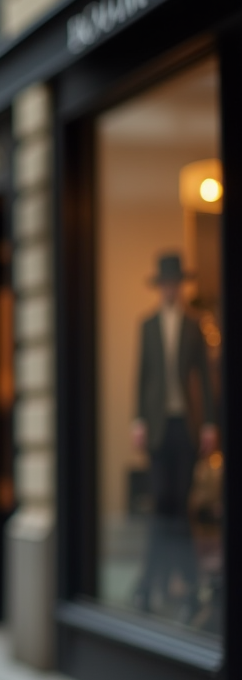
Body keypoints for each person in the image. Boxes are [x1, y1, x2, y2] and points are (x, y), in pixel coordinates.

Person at [131, 253, 217, 620]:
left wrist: (210, 424)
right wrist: (138, 419)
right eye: (166, 282)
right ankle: (183, 586)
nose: (170, 288)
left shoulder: (194, 325)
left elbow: (206, 378)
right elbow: (143, 375)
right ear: (160, 286)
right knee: (163, 503)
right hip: (157, 424)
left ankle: (151, 586)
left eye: (175, 282)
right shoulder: (148, 324)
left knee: (179, 505)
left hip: (186, 424)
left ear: (180, 285)